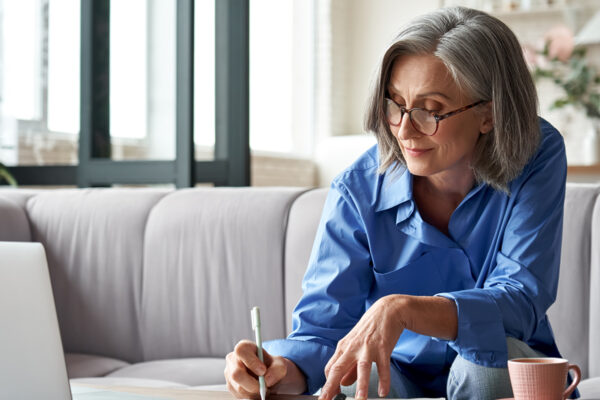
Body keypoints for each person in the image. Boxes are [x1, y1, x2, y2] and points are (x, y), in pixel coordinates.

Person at [225, 6, 572, 400]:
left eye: (430, 110)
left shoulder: (536, 153)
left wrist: (404, 308)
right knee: (354, 375)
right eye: (395, 104)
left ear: (488, 116)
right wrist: (274, 371)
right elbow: (323, 333)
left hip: (498, 371)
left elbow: (521, 297)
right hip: (397, 375)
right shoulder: (357, 189)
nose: (404, 130)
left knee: (485, 366)